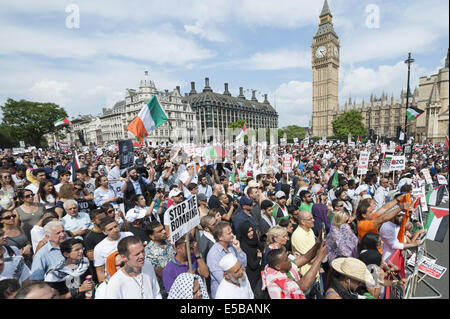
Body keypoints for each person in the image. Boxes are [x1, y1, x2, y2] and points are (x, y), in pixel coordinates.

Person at [261, 244, 327, 299]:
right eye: (286, 259)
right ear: (278, 267)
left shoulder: (283, 266)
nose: (289, 260)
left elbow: (305, 258)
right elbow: (304, 285)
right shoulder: (276, 279)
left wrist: (317, 244)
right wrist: (319, 257)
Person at [206, 221, 247, 299]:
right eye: (229, 233)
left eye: (232, 232)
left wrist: (238, 250)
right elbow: (222, 279)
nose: (233, 235)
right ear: (220, 237)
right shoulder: (213, 255)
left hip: (239, 289)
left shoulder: (232, 246)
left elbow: (244, 265)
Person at [93, 217, 133, 283]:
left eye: (115, 226)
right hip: (114, 278)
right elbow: (100, 271)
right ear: (104, 232)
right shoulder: (99, 248)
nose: (115, 230)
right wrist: (106, 284)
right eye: (110, 229)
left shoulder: (129, 235)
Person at [144, 220, 176, 298]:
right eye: (160, 231)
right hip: (166, 290)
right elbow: (160, 273)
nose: (164, 231)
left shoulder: (169, 242)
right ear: (151, 236)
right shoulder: (149, 252)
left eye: (163, 229)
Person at [235, 221, 263, 293]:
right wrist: (259, 257)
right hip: (252, 276)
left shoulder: (254, 240)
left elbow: (261, 248)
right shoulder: (244, 246)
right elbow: (252, 264)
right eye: (248, 232)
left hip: (258, 273)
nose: (251, 233)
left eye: (251, 230)